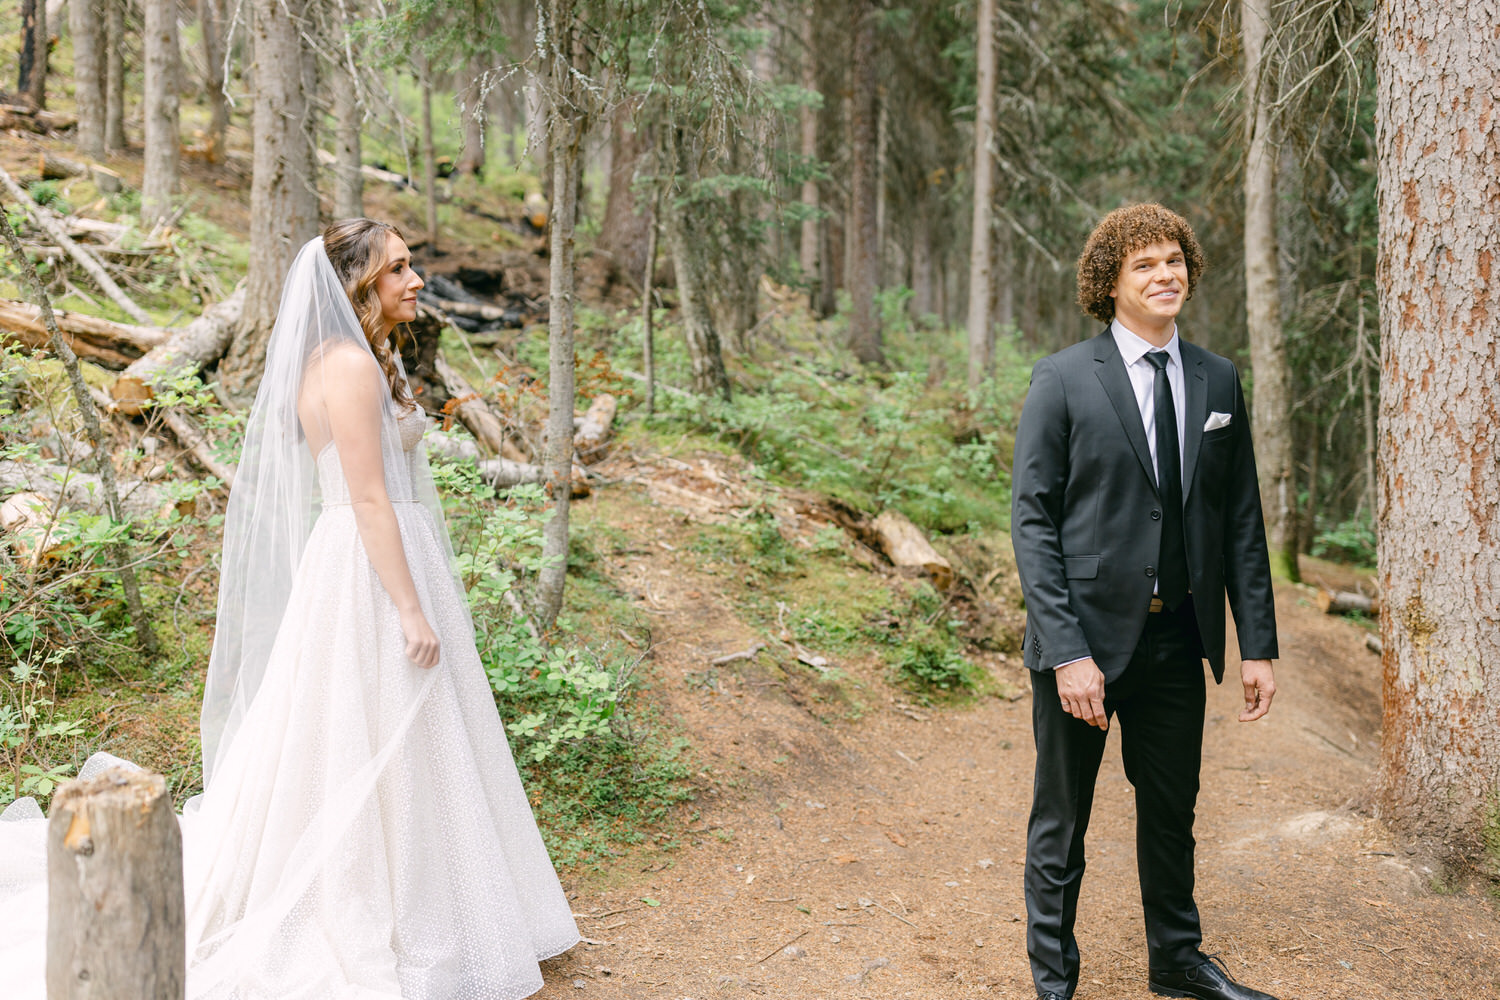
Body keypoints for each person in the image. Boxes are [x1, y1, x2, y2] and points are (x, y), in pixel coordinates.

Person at [0, 220, 580, 999]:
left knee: (397, 734)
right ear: (357, 285)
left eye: (411, 266)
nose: (416, 281)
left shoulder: (359, 357)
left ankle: (432, 901)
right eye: (398, 269)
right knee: (374, 726)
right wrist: (409, 607)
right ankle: (382, 910)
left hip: (375, 555)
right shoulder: (344, 365)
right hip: (369, 568)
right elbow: (369, 496)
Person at [1010, 203, 1279, 1000]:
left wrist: (1256, 642)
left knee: (1172, 813)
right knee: (1062, 822)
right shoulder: (1062, 378)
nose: (1166, 275)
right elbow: (1033, 519)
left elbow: (1241, 521)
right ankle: (1054, 979)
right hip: (1084, 646)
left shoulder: (1217, 377)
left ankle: (1178, 960)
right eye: (1145, 265)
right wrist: (1067, 652)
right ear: (1111, 282)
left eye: (1175, 260)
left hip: (1176, 642)